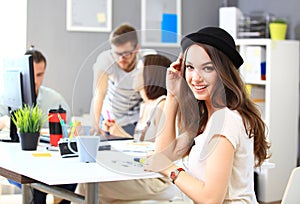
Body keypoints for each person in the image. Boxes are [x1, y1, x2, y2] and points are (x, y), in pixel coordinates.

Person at [144, 27, 270, 203]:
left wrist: (170, 169)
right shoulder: (207, 119)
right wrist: (172, 95)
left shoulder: (225, 120)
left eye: (207, 68)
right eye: (190, 67)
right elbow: (163, 155)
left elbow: (211, 199)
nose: (196, 78)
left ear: (224, 72)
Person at [76, 54, 182, 204]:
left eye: (138, 71)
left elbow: (163, 151)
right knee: (88, 182)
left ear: (150, 75)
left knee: (88, 185)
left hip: (156, 180)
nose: (133, 75)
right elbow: (143, 145)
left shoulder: (163, 105)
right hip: (141, 171)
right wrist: (119, 132)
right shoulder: (145, 106)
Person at [90, 23, 143, 136]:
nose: (121, 59)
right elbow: (99, 94)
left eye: (126, 54)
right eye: (117, 53)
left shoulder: (145, 61)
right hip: (109, 117)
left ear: (137, 49)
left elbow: (149, 98)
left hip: (133, 118)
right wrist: (95, 124)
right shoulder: (105, 59)